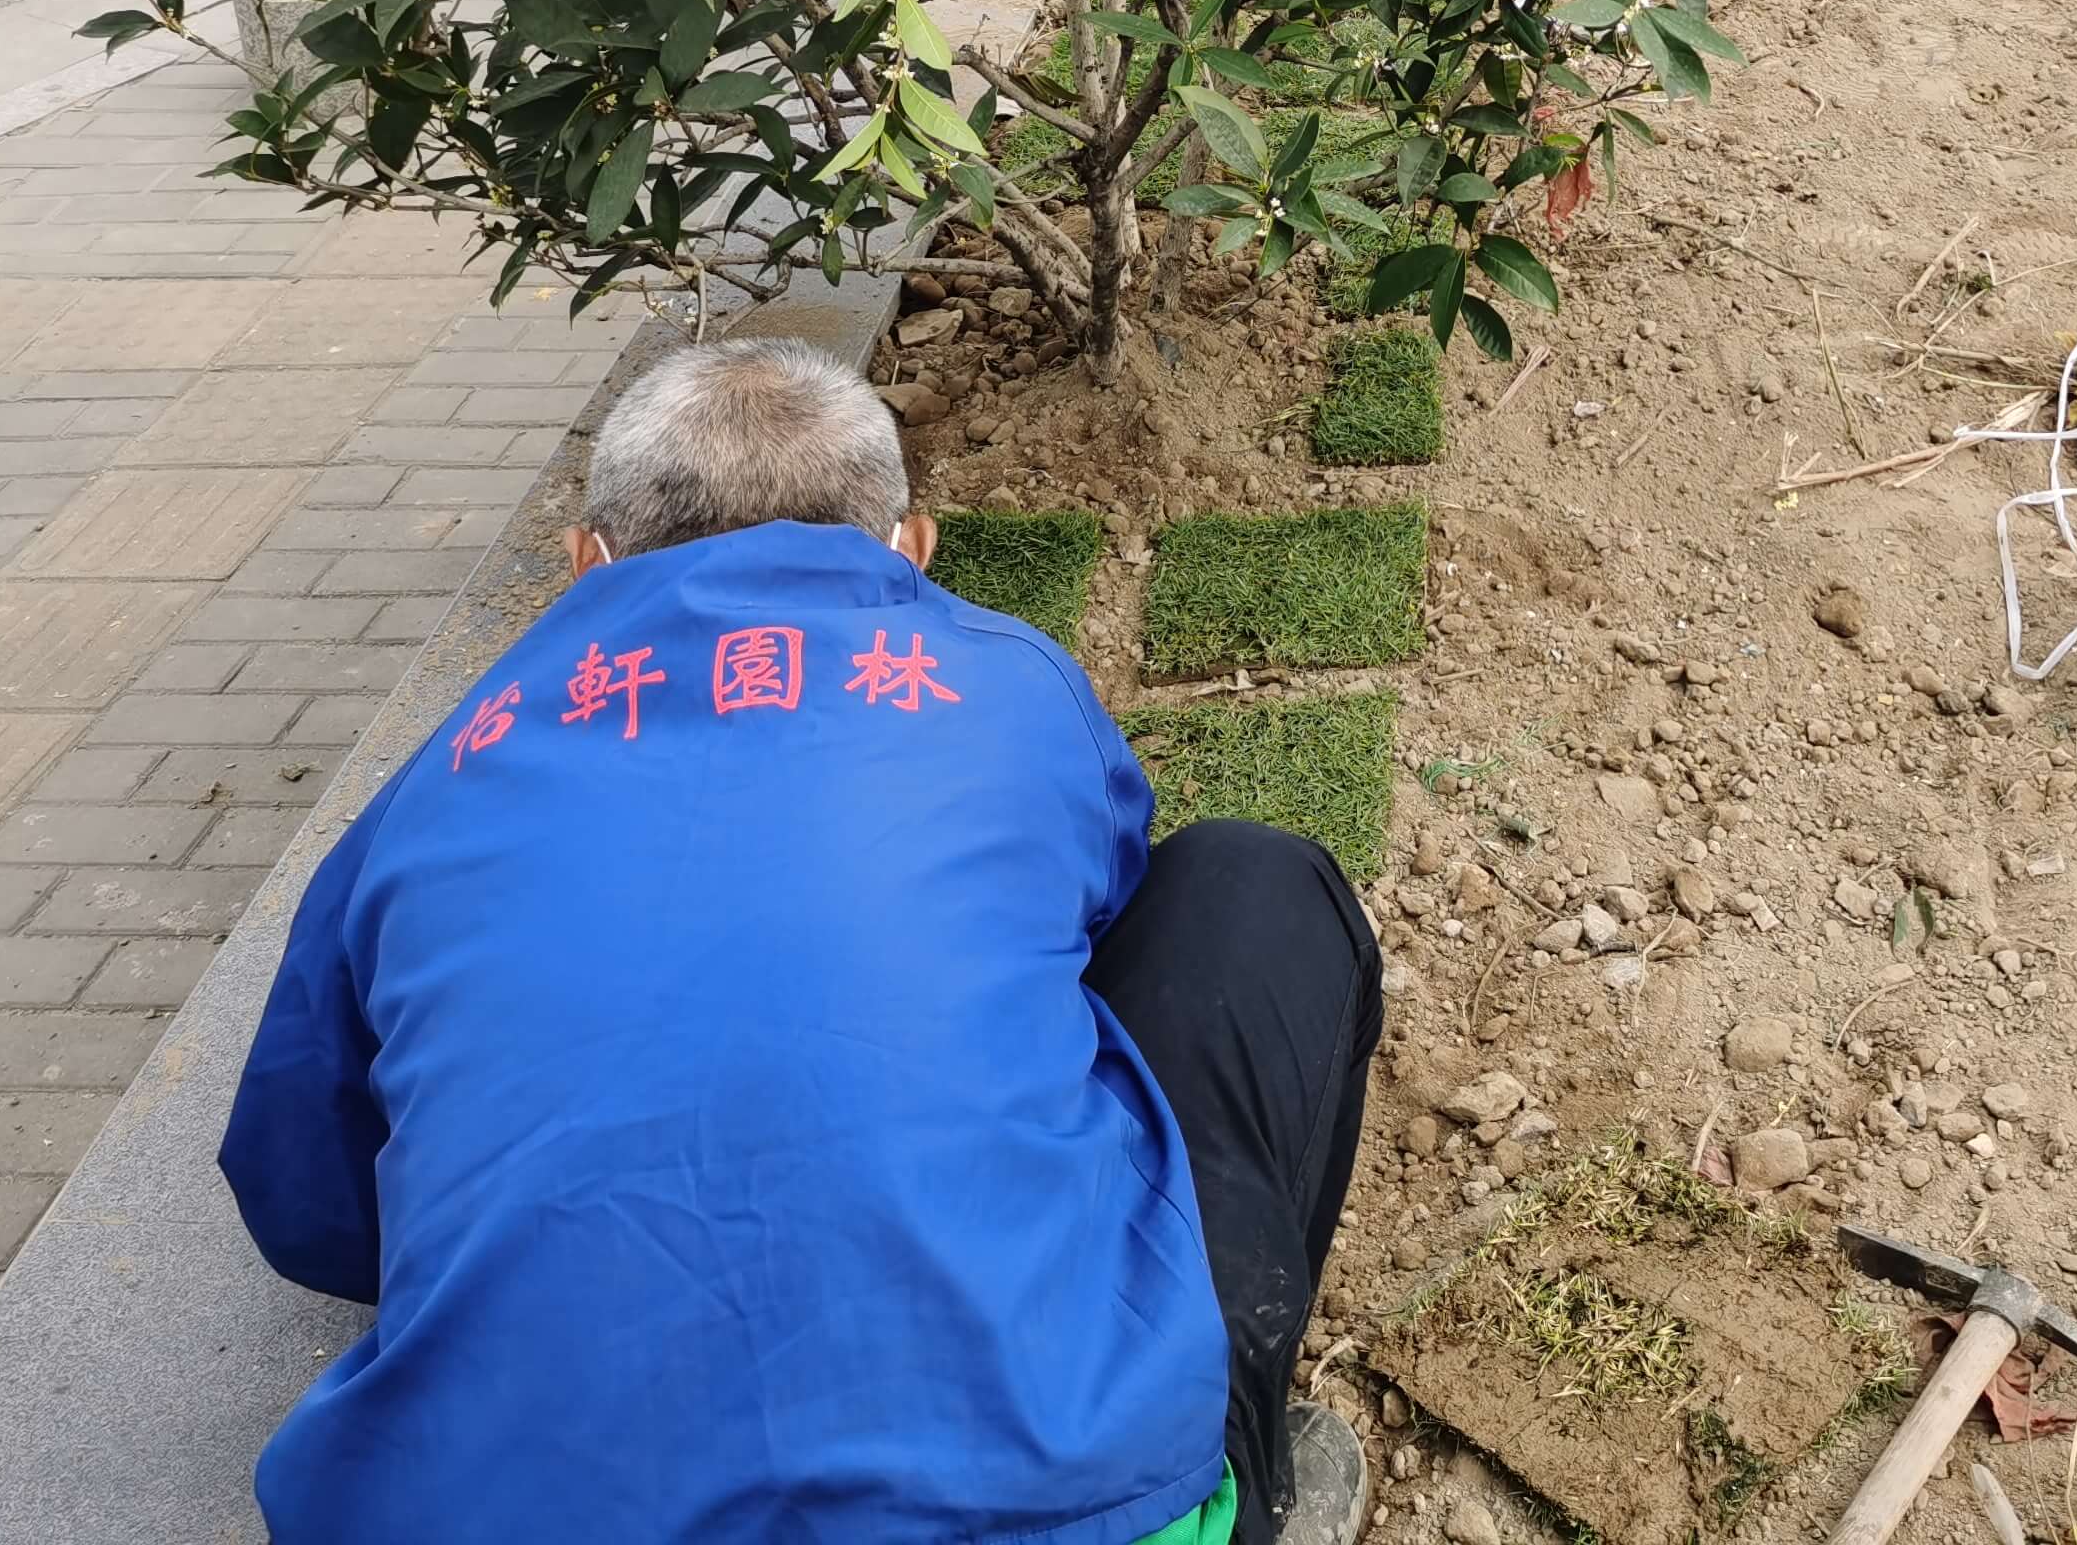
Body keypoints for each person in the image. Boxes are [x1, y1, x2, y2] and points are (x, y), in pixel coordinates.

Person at [219, 336, 1381, 1545]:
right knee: (1250, 883)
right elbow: (1109, 911)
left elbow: (301, 1197)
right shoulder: (1012, 682)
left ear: (583, 567)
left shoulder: (440, 777)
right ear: (912, 547)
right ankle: (1252, 1471)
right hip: (1057, 1501)